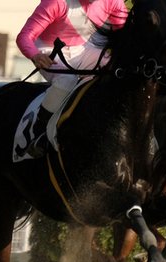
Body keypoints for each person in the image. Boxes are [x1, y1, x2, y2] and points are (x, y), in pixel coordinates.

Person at [16, 0, 128, 158]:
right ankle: (39, 133)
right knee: (66, 81)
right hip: (50, 51)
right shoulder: (56, 2)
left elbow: (125, 39)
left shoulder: (113, 2)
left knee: (117, 71)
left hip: (87, 50)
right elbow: (24, 37)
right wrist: (35, 55)